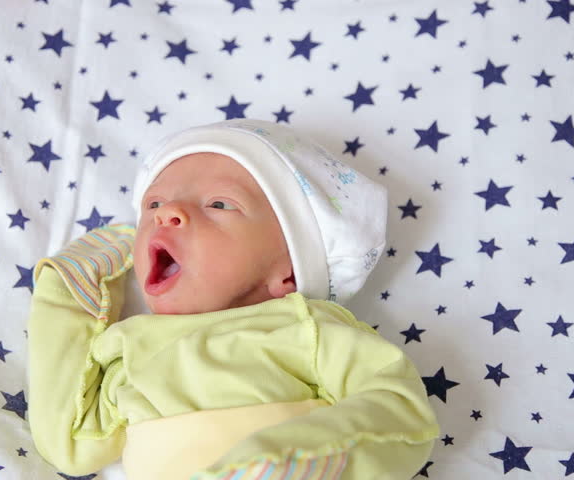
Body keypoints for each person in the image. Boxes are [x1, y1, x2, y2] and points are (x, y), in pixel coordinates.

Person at [27, 120, 440, 480]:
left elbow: (398, 411)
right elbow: (68, 440)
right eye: (153, 203)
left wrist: (290, 456)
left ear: (289, 272)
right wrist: (65, 297)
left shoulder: (304, 326)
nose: (167, 212)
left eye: (219, 204)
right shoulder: (129, 346)